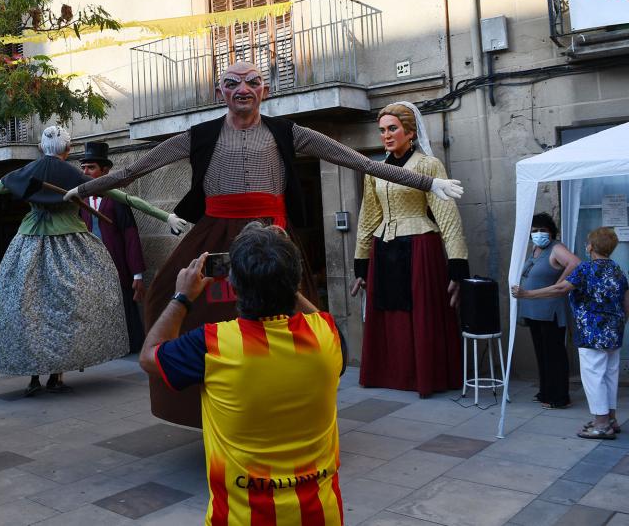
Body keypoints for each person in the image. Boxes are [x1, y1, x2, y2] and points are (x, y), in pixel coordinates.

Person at [67, 62, 463, 426]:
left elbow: (362, 163)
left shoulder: (289, 133)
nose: (243, 88)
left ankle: (291, 402)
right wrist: (81, 190)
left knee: (291, 313)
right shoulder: (198, 136)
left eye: (252, 81)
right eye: (232, 82)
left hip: (272, 234)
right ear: (218, 91)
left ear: (265, 90)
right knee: (165, 297)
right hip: (214, 231)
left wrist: (431, 183)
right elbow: (134, 171)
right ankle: (203, 402)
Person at [0, 125, 186, 395]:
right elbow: (124, 196)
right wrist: (166, 216)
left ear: (42, 148)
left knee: (29, 310)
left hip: (28, 245)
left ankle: (35, 375)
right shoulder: (74, 175)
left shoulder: (25, 173)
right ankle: (55, 374)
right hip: (69, 243)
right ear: (68, 150)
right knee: (65, 312)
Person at [139, 222, 346, 524]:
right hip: (320, 514)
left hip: (241, 518)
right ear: (296, 281)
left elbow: (149, 356)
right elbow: (317, 317)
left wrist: (182, 297)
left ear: (232, 286)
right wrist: (286, 278)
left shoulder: (212, 344)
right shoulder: (326, 333)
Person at [350, 102, 469, 398]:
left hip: (420, 246)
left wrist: (457, 265)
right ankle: (392, 373)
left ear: (410, 132)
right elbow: (368, 217)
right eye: (382, 130)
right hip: (384, 247)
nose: (386, 135)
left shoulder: (428, 165)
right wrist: (361, 265)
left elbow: (447, 216)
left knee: (421, 311)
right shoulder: (374, 170)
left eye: (393, 129)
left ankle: (424, 375)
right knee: (388, 312)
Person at [513, 227, 629, 440]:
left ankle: (601, 424)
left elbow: (560, 289)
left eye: (588, 243)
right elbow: (626, 301)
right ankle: (611, 419)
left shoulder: (585, 269)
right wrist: (620, 325)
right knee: (609, 375)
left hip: (591, 332)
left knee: (593, 376)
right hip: (614, 331)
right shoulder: (618, 270)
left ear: (591, 247)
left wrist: (527, 294)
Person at [78, 141, 149, 354]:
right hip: (93, 267)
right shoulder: (80, 199)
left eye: (90, 167)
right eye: (83, 168)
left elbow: (131, 236)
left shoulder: (117, 200)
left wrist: (137, 275)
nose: (85, 172)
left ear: (105, 171)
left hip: (118, 267)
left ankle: (132, 344)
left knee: (125, 307)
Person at [519, 213, 581, 409]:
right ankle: (546, 391)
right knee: (542, 353)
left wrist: (560, 283)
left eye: (542, 230)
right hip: (534, 310)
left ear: (551, 232)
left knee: (554, 354)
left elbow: (576, 264)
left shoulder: (556, 247)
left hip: (550, 310)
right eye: (535, 230)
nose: (538, 234)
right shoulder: (536, 249)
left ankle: (559, 396)